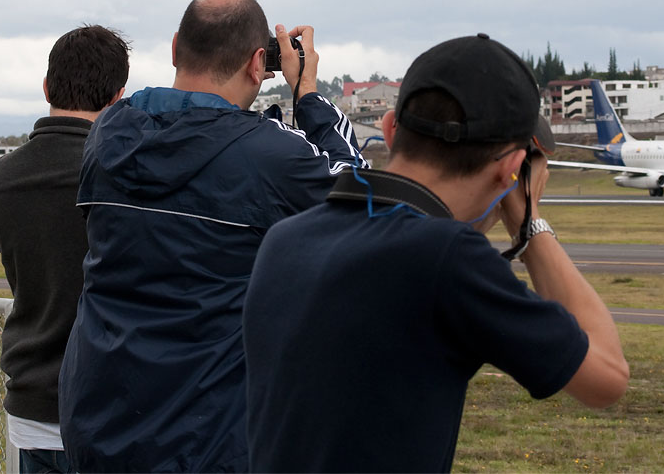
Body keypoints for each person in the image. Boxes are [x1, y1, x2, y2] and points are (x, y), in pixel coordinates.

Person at [243, 33, 629, 472]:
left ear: (390, 129)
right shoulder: (447, 258)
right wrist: (530, 222)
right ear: (509, 171)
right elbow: (607, 377)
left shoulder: (287, 240)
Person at [58, 0, 365, 473]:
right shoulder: (269, 157)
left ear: (176, 47)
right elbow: (361, 192)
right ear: (257, 63)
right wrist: (306, 92)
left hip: (98, 427)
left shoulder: (110, 134)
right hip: (206, 441)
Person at [0, 25, 131, 474]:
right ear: (118, 96)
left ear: (46, 86)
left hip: (31, 406)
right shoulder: (130, 176)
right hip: (111, 407)